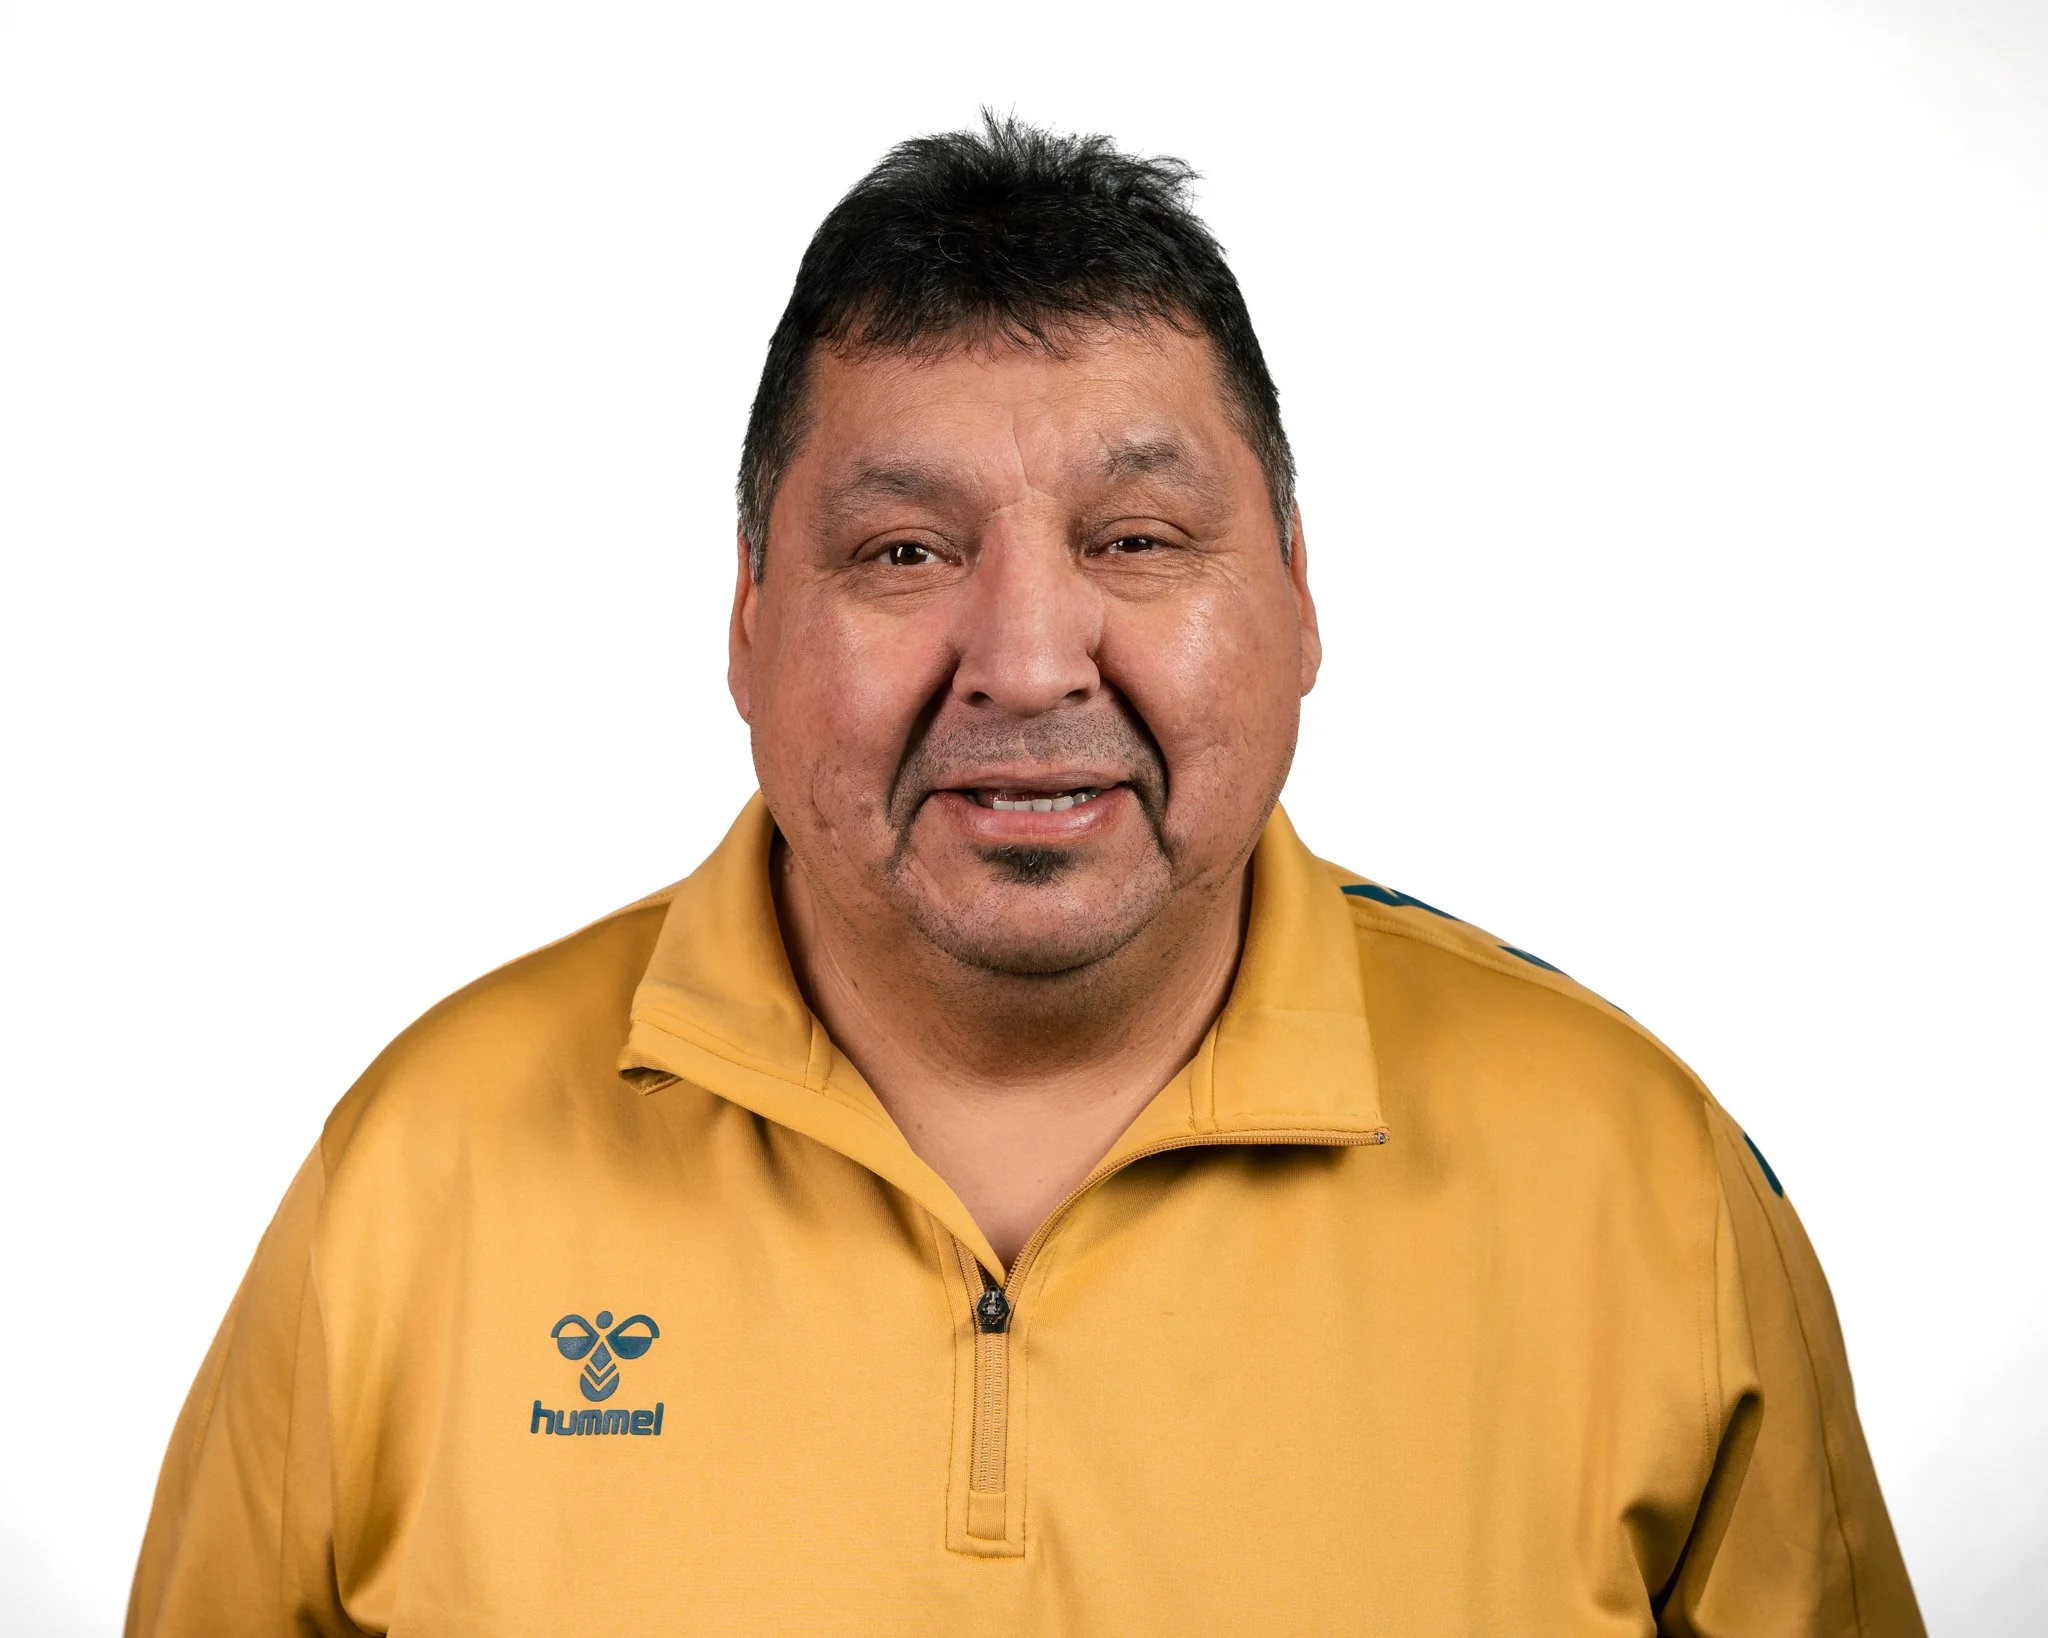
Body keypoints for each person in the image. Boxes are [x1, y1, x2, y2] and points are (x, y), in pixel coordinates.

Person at [128, 114, 1923, 1636]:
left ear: (1300, 596)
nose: (1030, 660)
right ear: (748, 619)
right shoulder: (415, 1181)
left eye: (1136, 538)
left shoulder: (1643, 1187)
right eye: (905, 551)